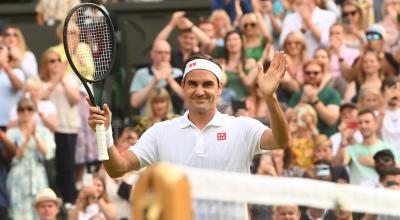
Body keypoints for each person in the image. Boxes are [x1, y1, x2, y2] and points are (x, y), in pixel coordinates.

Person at [88, 52, 290, 219]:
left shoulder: (242, 128)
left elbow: (281, 141)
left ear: (220, 88)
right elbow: (117, 168)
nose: (199, 91)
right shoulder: (161, 132)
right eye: (193, 84)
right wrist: (104, 132)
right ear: (183, 86)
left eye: (207, 84)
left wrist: (270, 97)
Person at [6, 97, 55, 220]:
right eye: (21, 110)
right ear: (18, 113)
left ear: (34, 112)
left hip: (37, 175)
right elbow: (15, 156)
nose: (25, 112)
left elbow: (47, 153)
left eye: (29, 109)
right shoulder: (11, 133)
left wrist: (35, 136)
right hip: (18, 177)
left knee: (40, 210)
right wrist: (27, 139)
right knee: (19, 213)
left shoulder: (43, 131)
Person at [337, 109, 400, 185]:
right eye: (360, 123)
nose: (363, 126)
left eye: (367, 122)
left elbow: (397, 170)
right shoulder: (351, 149)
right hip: (357, 194)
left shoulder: (388, 148)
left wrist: (375, 164)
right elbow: (340, 163)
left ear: (375, 124)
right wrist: (343, 139)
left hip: (381, 193)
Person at [129, 40, 184, 115]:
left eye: (167, 53)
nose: (163, 55)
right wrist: (154, 81)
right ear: (152, 54)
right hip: (149, 122)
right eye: (160, 52)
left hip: (175, 120)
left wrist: (170, 80)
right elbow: (134, 103)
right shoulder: (141, 73)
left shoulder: (178, 72)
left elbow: (188, 99)